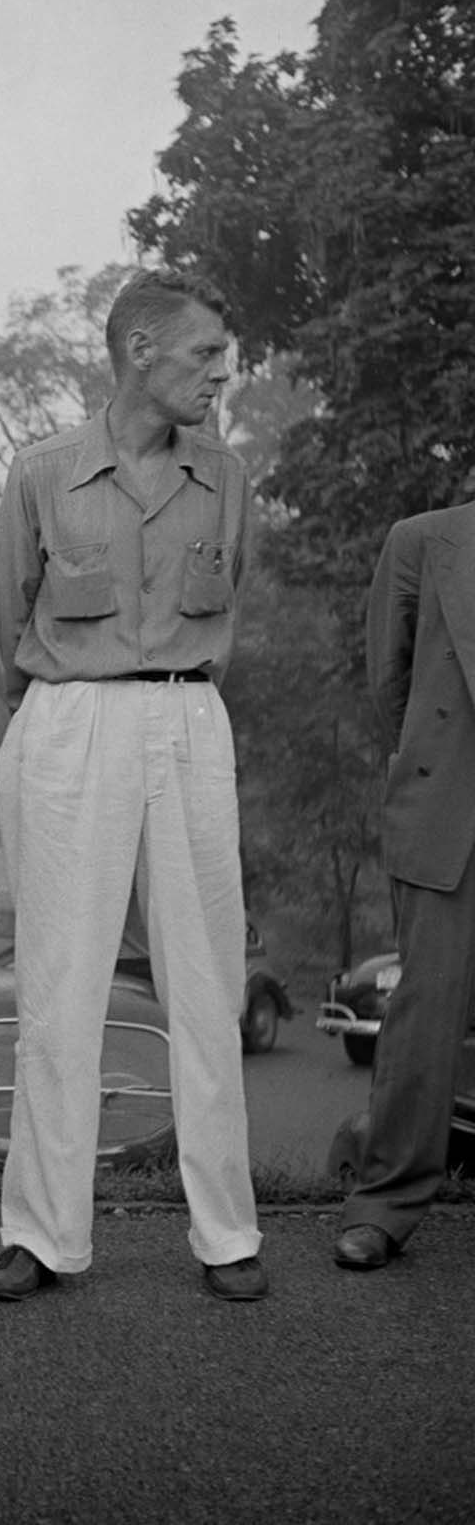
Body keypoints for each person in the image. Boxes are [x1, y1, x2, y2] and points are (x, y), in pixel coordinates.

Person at [0, 269, 266, 1304]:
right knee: (58, 987)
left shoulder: (225, 477)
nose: (219, 375)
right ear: (139, 351)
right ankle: (42, 1232)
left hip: (188, 719)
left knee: (206, 982)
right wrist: (49, 726)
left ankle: (227, 1231)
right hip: (68, 723)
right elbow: (6, 621)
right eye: (203, 355)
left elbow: (227, 591)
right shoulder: (42, 471)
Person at [333, 501, 475, 1270]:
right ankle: (384, 1205)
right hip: (453, 807)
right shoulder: (421, 540)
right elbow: (390, 684)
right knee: (426, 1010)